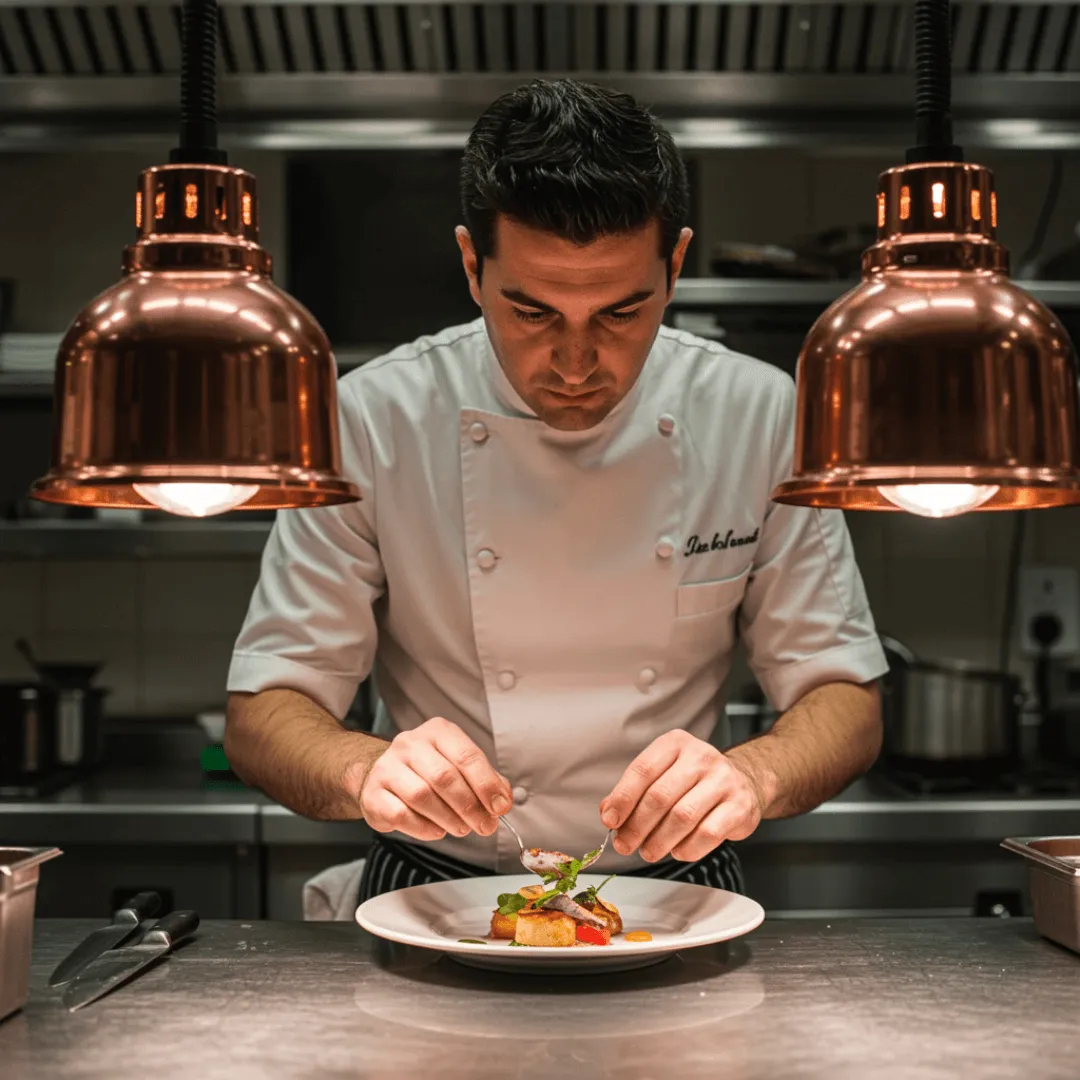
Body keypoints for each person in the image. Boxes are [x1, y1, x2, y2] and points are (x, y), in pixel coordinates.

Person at [224, 78, 887, 904]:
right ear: (472, 264)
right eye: (533, 313)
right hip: (433, 881)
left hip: (681, 884)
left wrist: (755, 775)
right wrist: (365, 766)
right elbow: (265, 711)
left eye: (621, 312)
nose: (576, 364)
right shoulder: (370, 418)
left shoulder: (758, 415)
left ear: (675, 265)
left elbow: (843, 696)